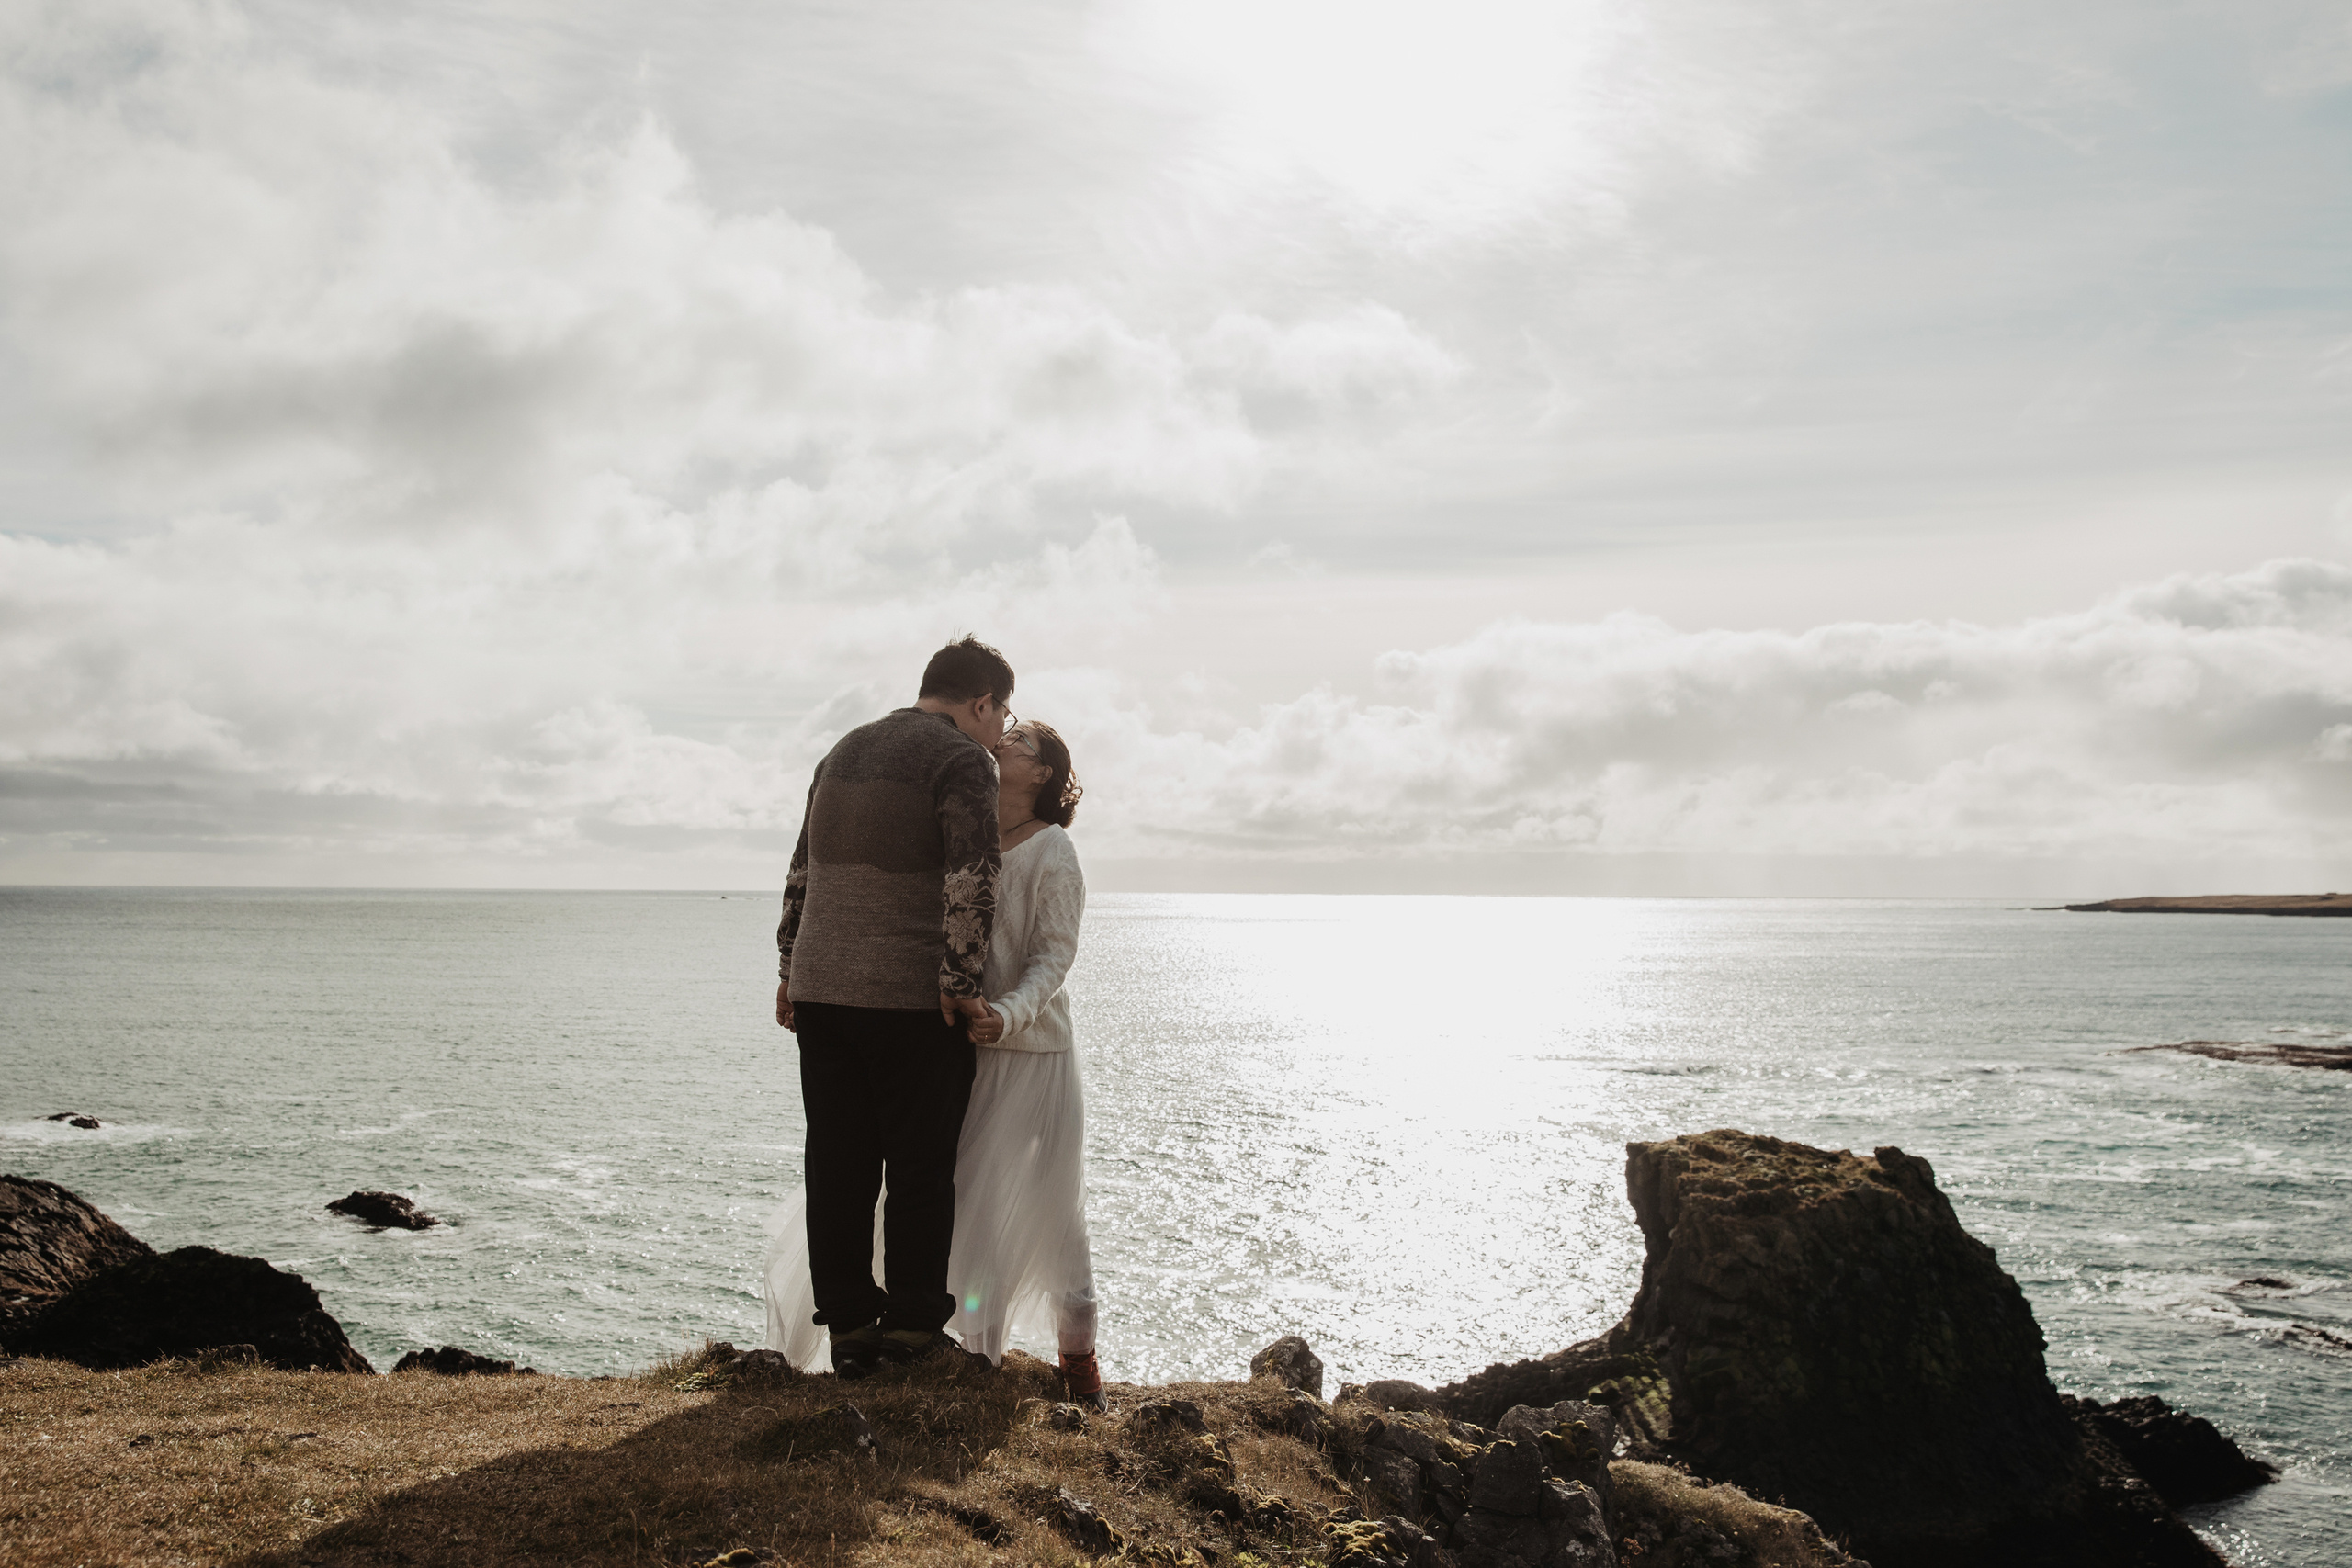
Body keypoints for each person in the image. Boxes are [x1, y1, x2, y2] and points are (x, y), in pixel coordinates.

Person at [767, 717, 1105, 1408]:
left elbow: (1054, 958)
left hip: (1033, 1059)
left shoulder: (1054, 849)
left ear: (1042, 774)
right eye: (1004, 733)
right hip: (961, 1045)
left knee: (1052, 1213)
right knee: (959, 1199)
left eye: (1020, 743)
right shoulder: (962, 829)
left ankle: (1081, 1366)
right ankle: (968, 1353)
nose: (1003, 742)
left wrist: (1004, 1013)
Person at [773, 636, 1012, 1379]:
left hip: (821, 988)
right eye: (1003, 712)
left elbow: (801, 868)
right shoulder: (964, 760)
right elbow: (974, 873)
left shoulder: (841, 751)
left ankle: (847, 1325)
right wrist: (962, 978)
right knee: (917, 1163)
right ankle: (910, 1328)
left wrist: (788, 964)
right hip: (909, 996)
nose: (1003, 729)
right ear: (981, 702)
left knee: (837, 1161)